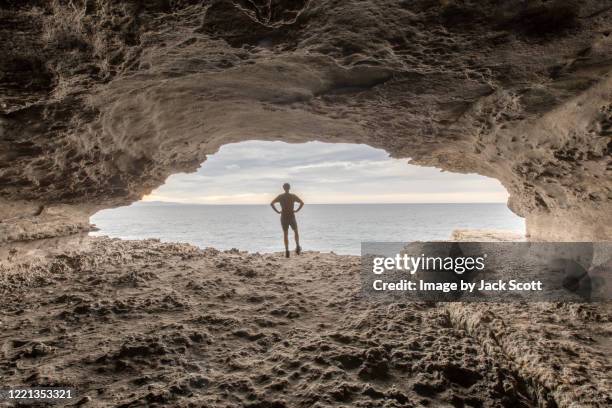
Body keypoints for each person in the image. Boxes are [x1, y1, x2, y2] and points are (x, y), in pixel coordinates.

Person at [270, 183, 304, 258]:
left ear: (283, 188)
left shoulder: (280, 196)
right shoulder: (293, 196)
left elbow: (271, 203)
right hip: (291, 216)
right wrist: (297, 210)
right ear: (289, 188)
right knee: (295, 231)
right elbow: (302, 203)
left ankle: (287, 251)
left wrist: (278, 211)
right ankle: (297, 247)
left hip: (284, 217)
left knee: (285, 234)